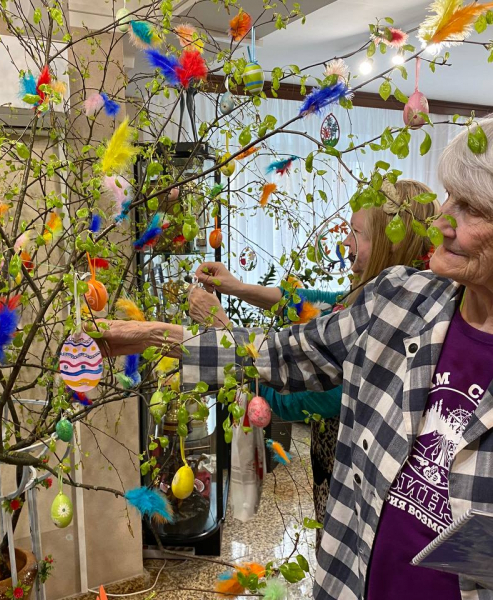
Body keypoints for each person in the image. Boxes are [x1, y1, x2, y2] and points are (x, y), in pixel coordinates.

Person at [93, 111, 493, 600]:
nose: (440, 221)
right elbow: (285, 353)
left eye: (471, 208)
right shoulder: (400, 297)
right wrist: (153, 335)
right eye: (450, 197)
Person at [187, 179, 440, 549]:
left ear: (391, 242)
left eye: (357, 233)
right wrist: (238, 287)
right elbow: (316, 303)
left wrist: (221, 329)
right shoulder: (386, 297)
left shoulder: (390, 331)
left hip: (351, 488)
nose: (346, 243)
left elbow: (295, 396)